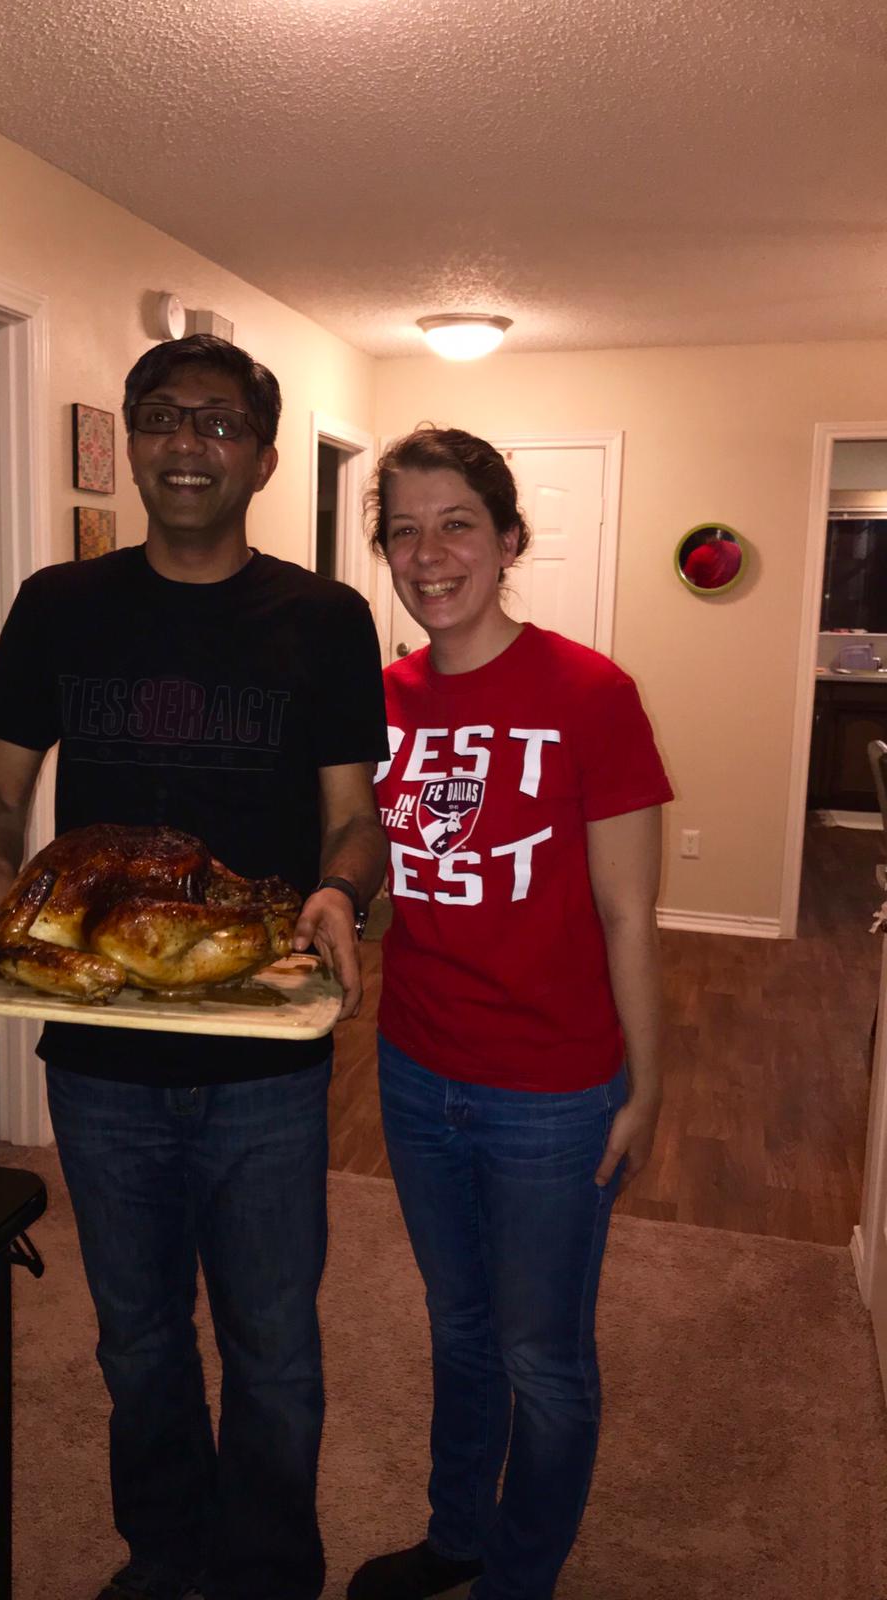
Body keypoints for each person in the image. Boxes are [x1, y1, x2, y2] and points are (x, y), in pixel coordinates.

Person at [0, 334, 388, 1600]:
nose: (187, 442)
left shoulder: (325, 619)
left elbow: (354, 818)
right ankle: (165, 1556)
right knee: (136, 1340)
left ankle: (266, 1573)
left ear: (264, 456)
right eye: (161, 416)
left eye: (219, 421)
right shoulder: (57, 605)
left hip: (265, 1048)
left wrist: (341, 892)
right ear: (133, 439)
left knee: (273, 1346)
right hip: (100, 1057)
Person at [348, 427, 672, 1600]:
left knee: (543, 1354)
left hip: (553, 1090)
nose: (429, 553)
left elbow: (630, 915)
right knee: (460, 1327)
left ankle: (518, 1578)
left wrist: (646, 1087)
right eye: (404, 531)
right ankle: (459, 1535)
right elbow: (384, 876)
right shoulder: (378, 702)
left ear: (508, 539)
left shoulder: (591, 694)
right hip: (414, 1066)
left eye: (457, 524)